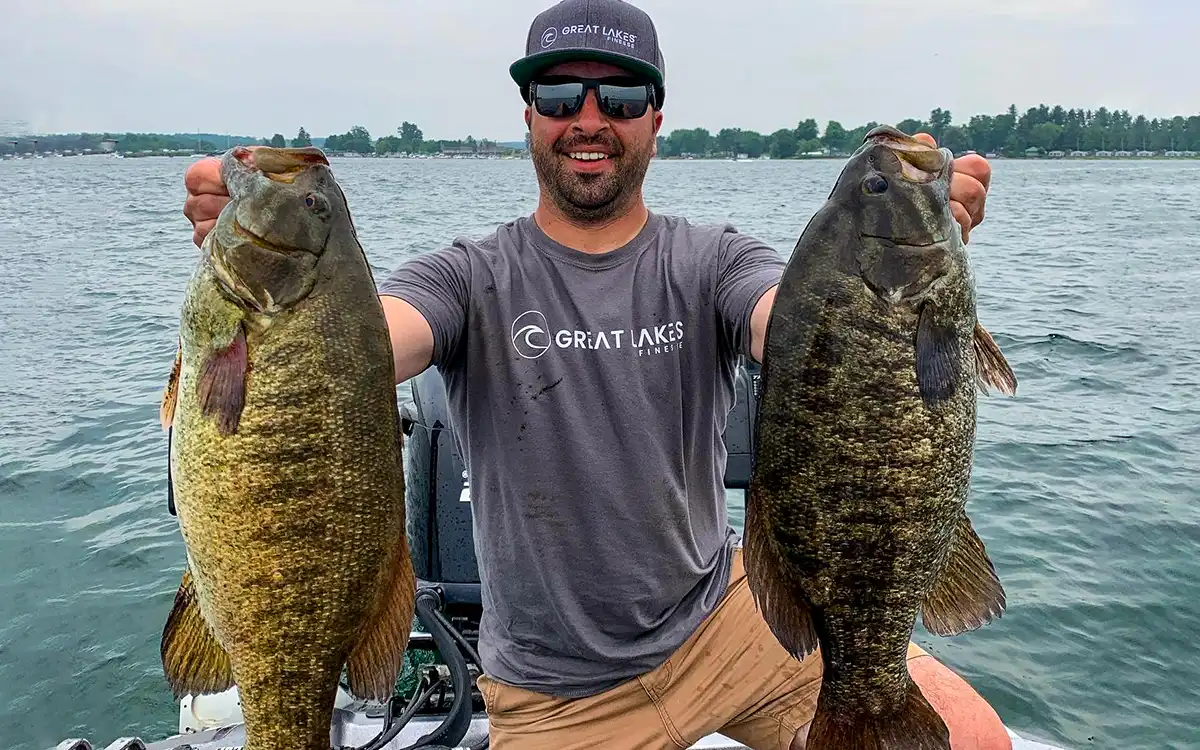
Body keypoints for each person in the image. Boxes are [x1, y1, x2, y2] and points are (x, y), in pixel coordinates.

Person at [182, 1, 1005, 747]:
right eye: (559, 96)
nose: (588, 120)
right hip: (557, 697)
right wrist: (280, 297)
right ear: (529, 117)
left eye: (617, 101)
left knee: (973, 738)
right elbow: (369, 348)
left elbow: (786, 324)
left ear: (654, 119)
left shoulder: (711, 259)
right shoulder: (470, 275)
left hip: (726, 618)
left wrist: (892, 265)